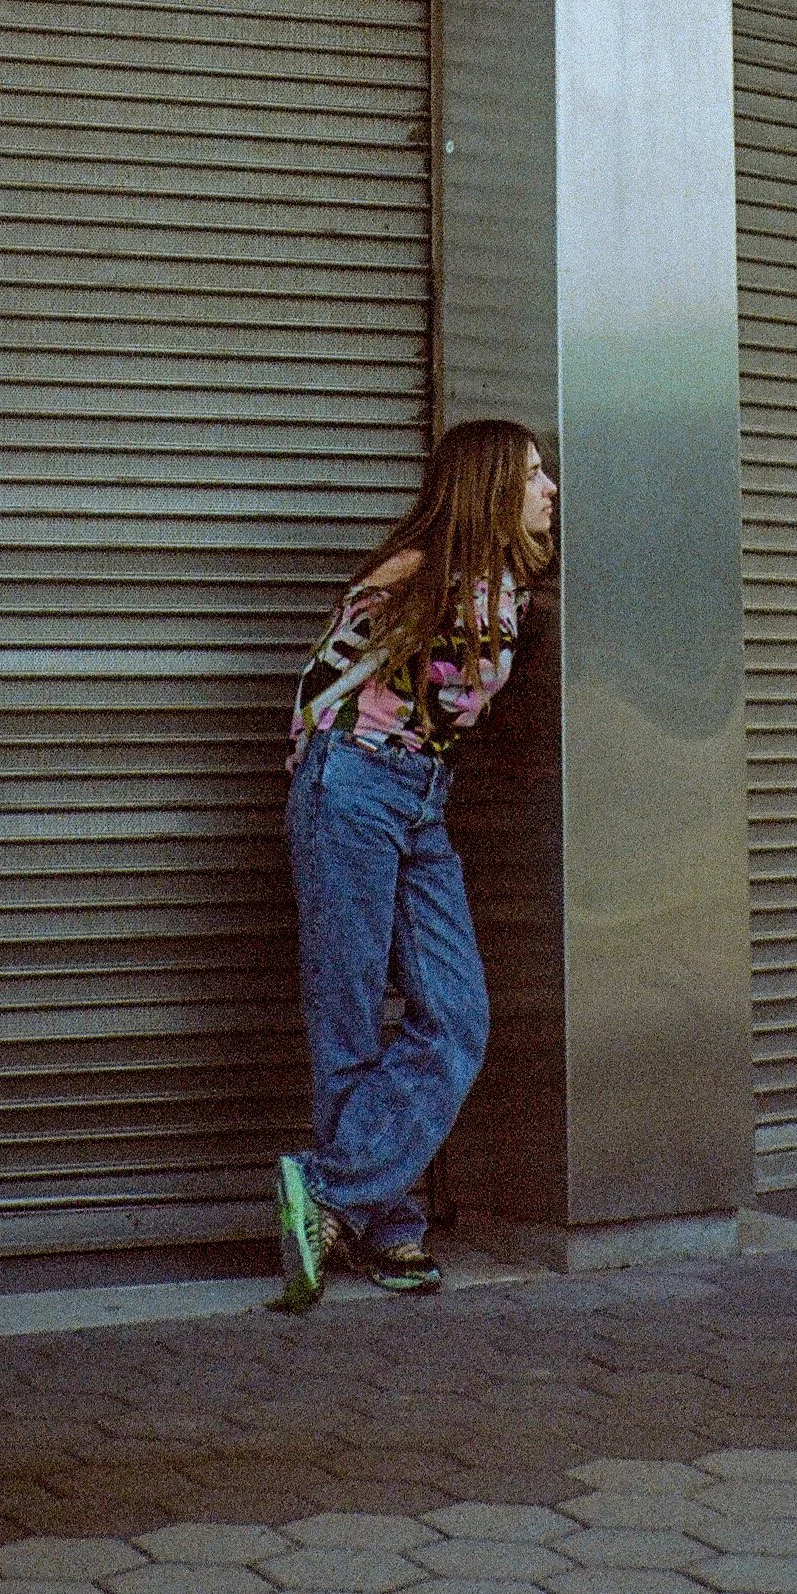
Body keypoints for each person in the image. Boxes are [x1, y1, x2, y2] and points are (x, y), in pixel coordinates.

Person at [274, 417, 558, 1307]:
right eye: (536, 475)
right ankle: (384, 1226)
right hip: (354, 785)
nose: (552, 489)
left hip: (423, 798)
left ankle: (328, 1195)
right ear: (489, 488)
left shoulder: (513, 590)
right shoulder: (414, 574)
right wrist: (319, 771)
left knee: (456, 1013)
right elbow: (321, 680)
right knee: (350, 1012)